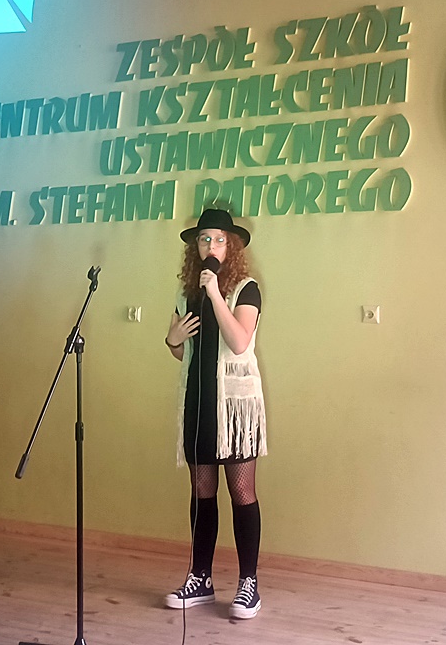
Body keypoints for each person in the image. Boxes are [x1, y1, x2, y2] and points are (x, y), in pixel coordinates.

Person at [163, 207, 267, 620]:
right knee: (202, 492)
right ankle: (200, 578)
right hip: (198, 401)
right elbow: (182, 351)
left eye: (219, 240)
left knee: (241, 492)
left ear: (232, 246)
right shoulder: (184, 293)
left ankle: (248, 584)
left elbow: (239, 342)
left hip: (236, 409)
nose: (211, 246)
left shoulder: (245, 289)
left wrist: (214, 295)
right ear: (195, 247)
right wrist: (172, 339)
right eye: (204, 239)